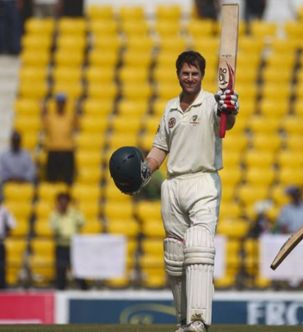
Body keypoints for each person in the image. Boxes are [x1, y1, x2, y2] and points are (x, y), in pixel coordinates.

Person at [116, 51, 239, 332]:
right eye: (185, 73)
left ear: (202, 75)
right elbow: (160, 149)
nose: (190, 78)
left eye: (195, 73)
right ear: (178, 74)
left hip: (203, 181)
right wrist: (144, 172)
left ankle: (199, 320)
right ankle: (183, 320)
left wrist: (230, 108)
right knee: (174, 255)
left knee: (198, 246)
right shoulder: (170, 108)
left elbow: (226, 124)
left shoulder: (212, 102)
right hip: (173, 185)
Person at [49, 192, 87, 290]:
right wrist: (59, 214)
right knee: (61, 269)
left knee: (79, 268)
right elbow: (54, 228)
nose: (63, 204)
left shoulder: (74, 213)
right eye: (61, 202)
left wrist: (76, 210)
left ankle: (84, 289)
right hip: (61, 246)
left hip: (75, 245)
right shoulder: (54, 214)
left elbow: (82, 222)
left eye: (65, 201)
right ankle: (61, 289)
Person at [42, 93, 78, 185]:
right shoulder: (50, 117)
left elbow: (77, 125)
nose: (61, 105)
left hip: (67, 151)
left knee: (68, 179)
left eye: (62, 102)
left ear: (65, 104)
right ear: (56, 104)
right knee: (52, 179)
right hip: (53, 150)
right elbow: (44, 126)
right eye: (59, 102)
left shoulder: (70, 116)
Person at [0, 197, 16, 288]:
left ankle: (2, 286)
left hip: (0, 242)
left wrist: (6, 234)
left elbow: (12, 224)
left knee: (1, 266)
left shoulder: (4, 211)